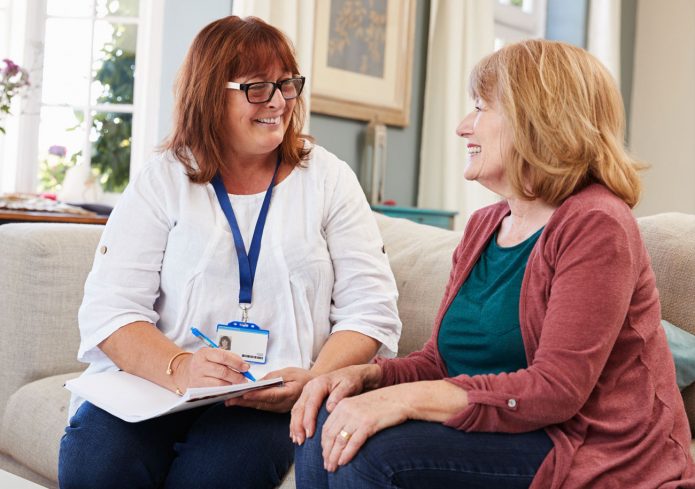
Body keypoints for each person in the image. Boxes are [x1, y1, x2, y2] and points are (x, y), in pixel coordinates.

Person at [291, 39, 695, 488]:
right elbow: (439, 361)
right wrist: (368, 377)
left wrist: (404, 401)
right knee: (324, 425)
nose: (464, 127)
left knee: (369, 456)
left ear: (537, 120)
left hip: (586, 448)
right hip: (515, 434)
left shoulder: (596, 225)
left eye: (481, 108)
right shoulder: (485, 225)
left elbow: (556, 390)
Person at [58, 15, 401, 489]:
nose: (279, 102)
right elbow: (111, 308)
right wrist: (180, 367)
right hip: (159, 384)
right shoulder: (165, 178)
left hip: (271, 399)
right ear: (208, 94)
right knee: (94, 467)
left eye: (286, 85)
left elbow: (371, 310)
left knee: (211, 478)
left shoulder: (329, 179)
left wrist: (314, 381)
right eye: (258, 87)